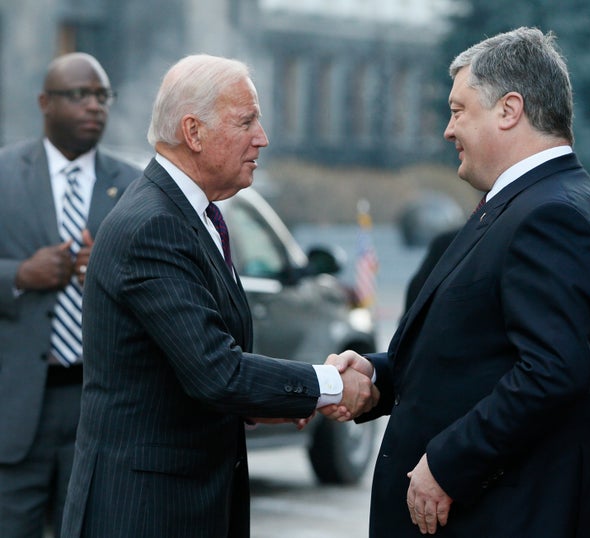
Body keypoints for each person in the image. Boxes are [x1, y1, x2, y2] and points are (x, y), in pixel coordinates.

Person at [327, 27, 590, 536]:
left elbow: (553, 372)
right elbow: (477, 357)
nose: (448, 130)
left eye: (458, 110)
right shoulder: (525, 204)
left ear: (509, 110)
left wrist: (448, 464)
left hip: (512, 517)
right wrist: (379, 378)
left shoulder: (553, 215)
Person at [59, 54, 376, 538]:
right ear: (194, 131)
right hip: (146, 513)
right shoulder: (155, 226)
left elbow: (186, 372)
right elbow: (217, 371)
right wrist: (331, 385)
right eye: (246, 121)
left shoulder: (191, 215)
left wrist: (278, 399)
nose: (262, 139)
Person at [0, 52, 140, 538]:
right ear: (45, 102)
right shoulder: (3, 175)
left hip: (99, 408)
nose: (94, 106)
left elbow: (159, 288)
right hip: (17, 410)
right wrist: (19, 274)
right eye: (80, 94)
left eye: (102, 96)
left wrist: (107, 272)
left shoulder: (135, 187)